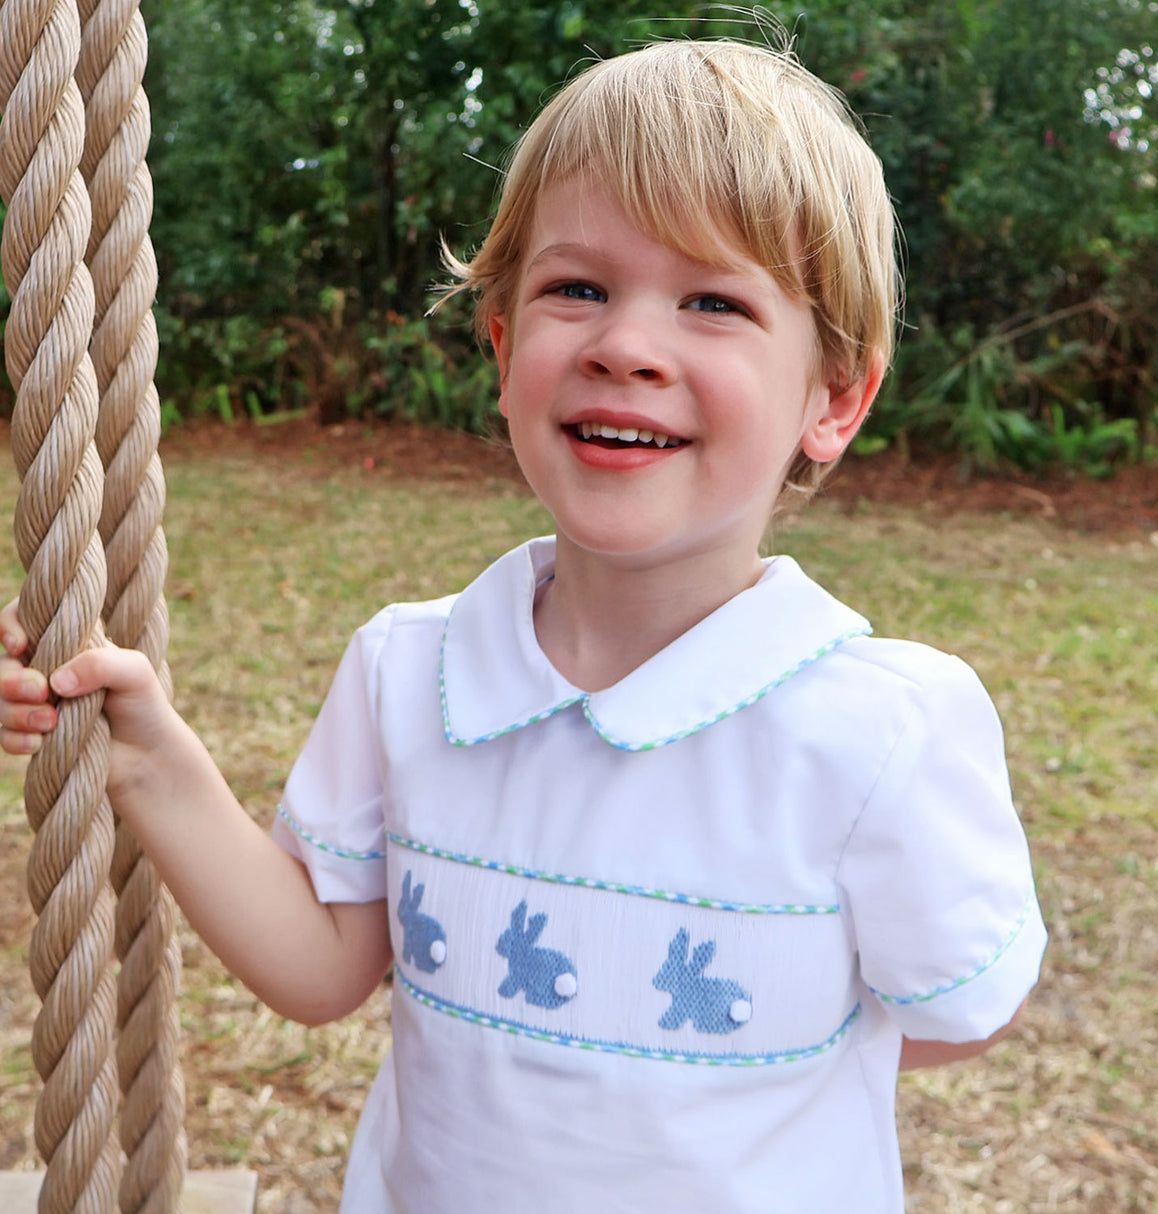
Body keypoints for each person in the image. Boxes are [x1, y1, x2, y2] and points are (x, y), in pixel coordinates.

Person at [0, 38, 1046, 1214]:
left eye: (712, 301)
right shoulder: (412, 669)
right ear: (503, 351)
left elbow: (958, 1011)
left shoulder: (879, 729)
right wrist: (146, 757)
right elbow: (319, 965)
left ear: (834, 398)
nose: (623, 344)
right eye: (576, 289)